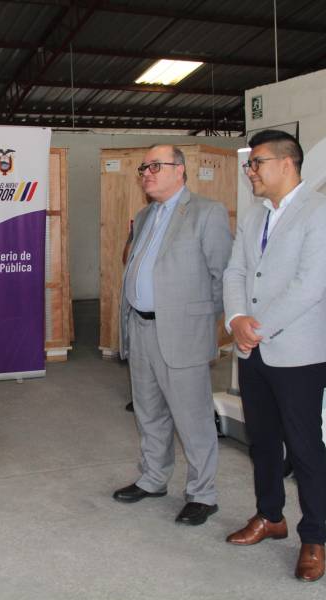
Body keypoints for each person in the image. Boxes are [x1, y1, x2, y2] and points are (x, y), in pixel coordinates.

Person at [223, 129, 326, 582]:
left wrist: (255, 329)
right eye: (249, 163)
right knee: (262, 439)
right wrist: (236, 319)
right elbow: (235, 271)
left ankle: (316, 536)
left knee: (305, 447)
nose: (250, 171)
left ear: (287, 163)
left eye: (256, 162)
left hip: (299, 352)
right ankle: (270, 516)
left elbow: (310, 285)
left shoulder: (318, 212)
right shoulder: (254, 216)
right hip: (252, 349)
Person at [113, 144, 232, 526]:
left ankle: (203, 494)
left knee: (193, 418)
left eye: (155, 166)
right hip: (141, 327)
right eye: (143, 168)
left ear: (179, 170)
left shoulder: (206, 212)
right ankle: (153, 479)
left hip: (182, 333)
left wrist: (200, 321)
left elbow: (223, 275)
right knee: (149, 412)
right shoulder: (145, 214)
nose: (146, 173)